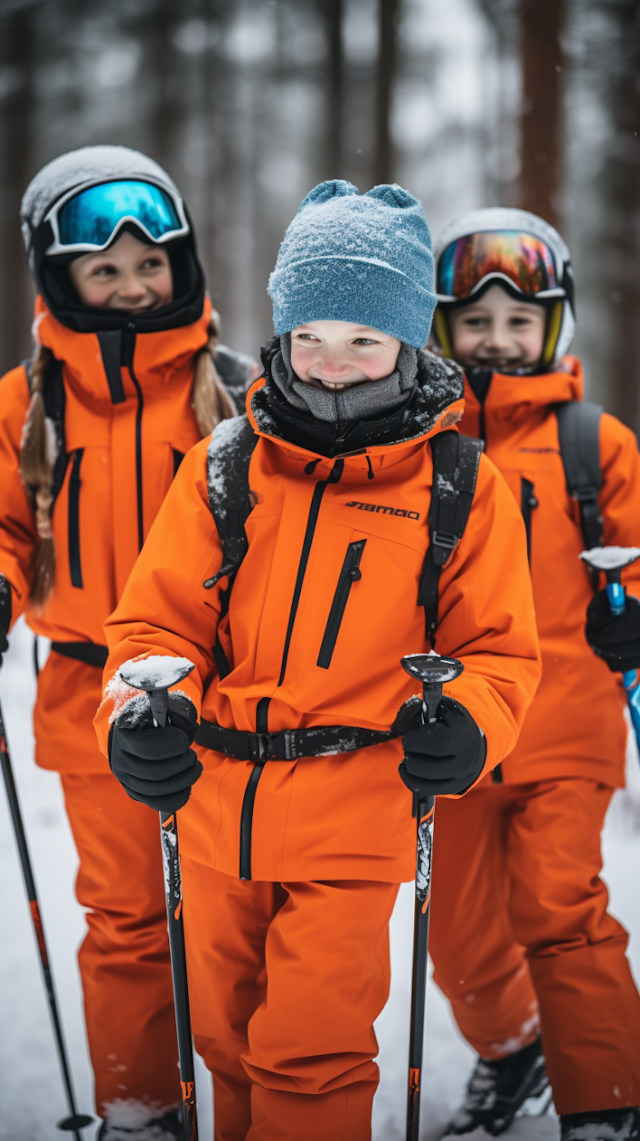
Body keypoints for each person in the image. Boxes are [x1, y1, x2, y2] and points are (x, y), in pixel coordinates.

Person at [94, 179, 541, 1141]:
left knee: (311, 1049)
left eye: (363, 341)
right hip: (212, 811)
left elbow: (499, 651)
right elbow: (153, 627)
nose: (332, 365)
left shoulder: (460, 484)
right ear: (283, 333)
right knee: (220, 1040)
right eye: (310, 339)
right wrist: (139, 713)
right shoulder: (225, 464)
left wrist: (469, 718)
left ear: (409, 342)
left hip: (358, 810)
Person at [0, 145, 255, 1140]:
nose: (131, 284)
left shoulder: (235, 390)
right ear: (58, 278)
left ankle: (254, 1104)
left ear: (182, 264)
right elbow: (10, 526)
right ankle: (142, 1106)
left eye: (149, 263)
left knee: (231, 918)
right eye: (102, 270)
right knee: (126, 920)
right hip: (86, 692)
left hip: (225, 696)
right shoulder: (27, 406)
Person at [428, 207, 640, 1141]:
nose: (499, 340)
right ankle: (516, 1044)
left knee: (559, 905)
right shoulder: (419, 447)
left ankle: (606, 1098)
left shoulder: (597, 445)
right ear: (442, 329)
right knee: (456, 931)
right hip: (462, 730)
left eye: (521, 321)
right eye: (477, 322)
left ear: (556, 326)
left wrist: (629, 610)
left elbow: (634, 562)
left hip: (568, 722)